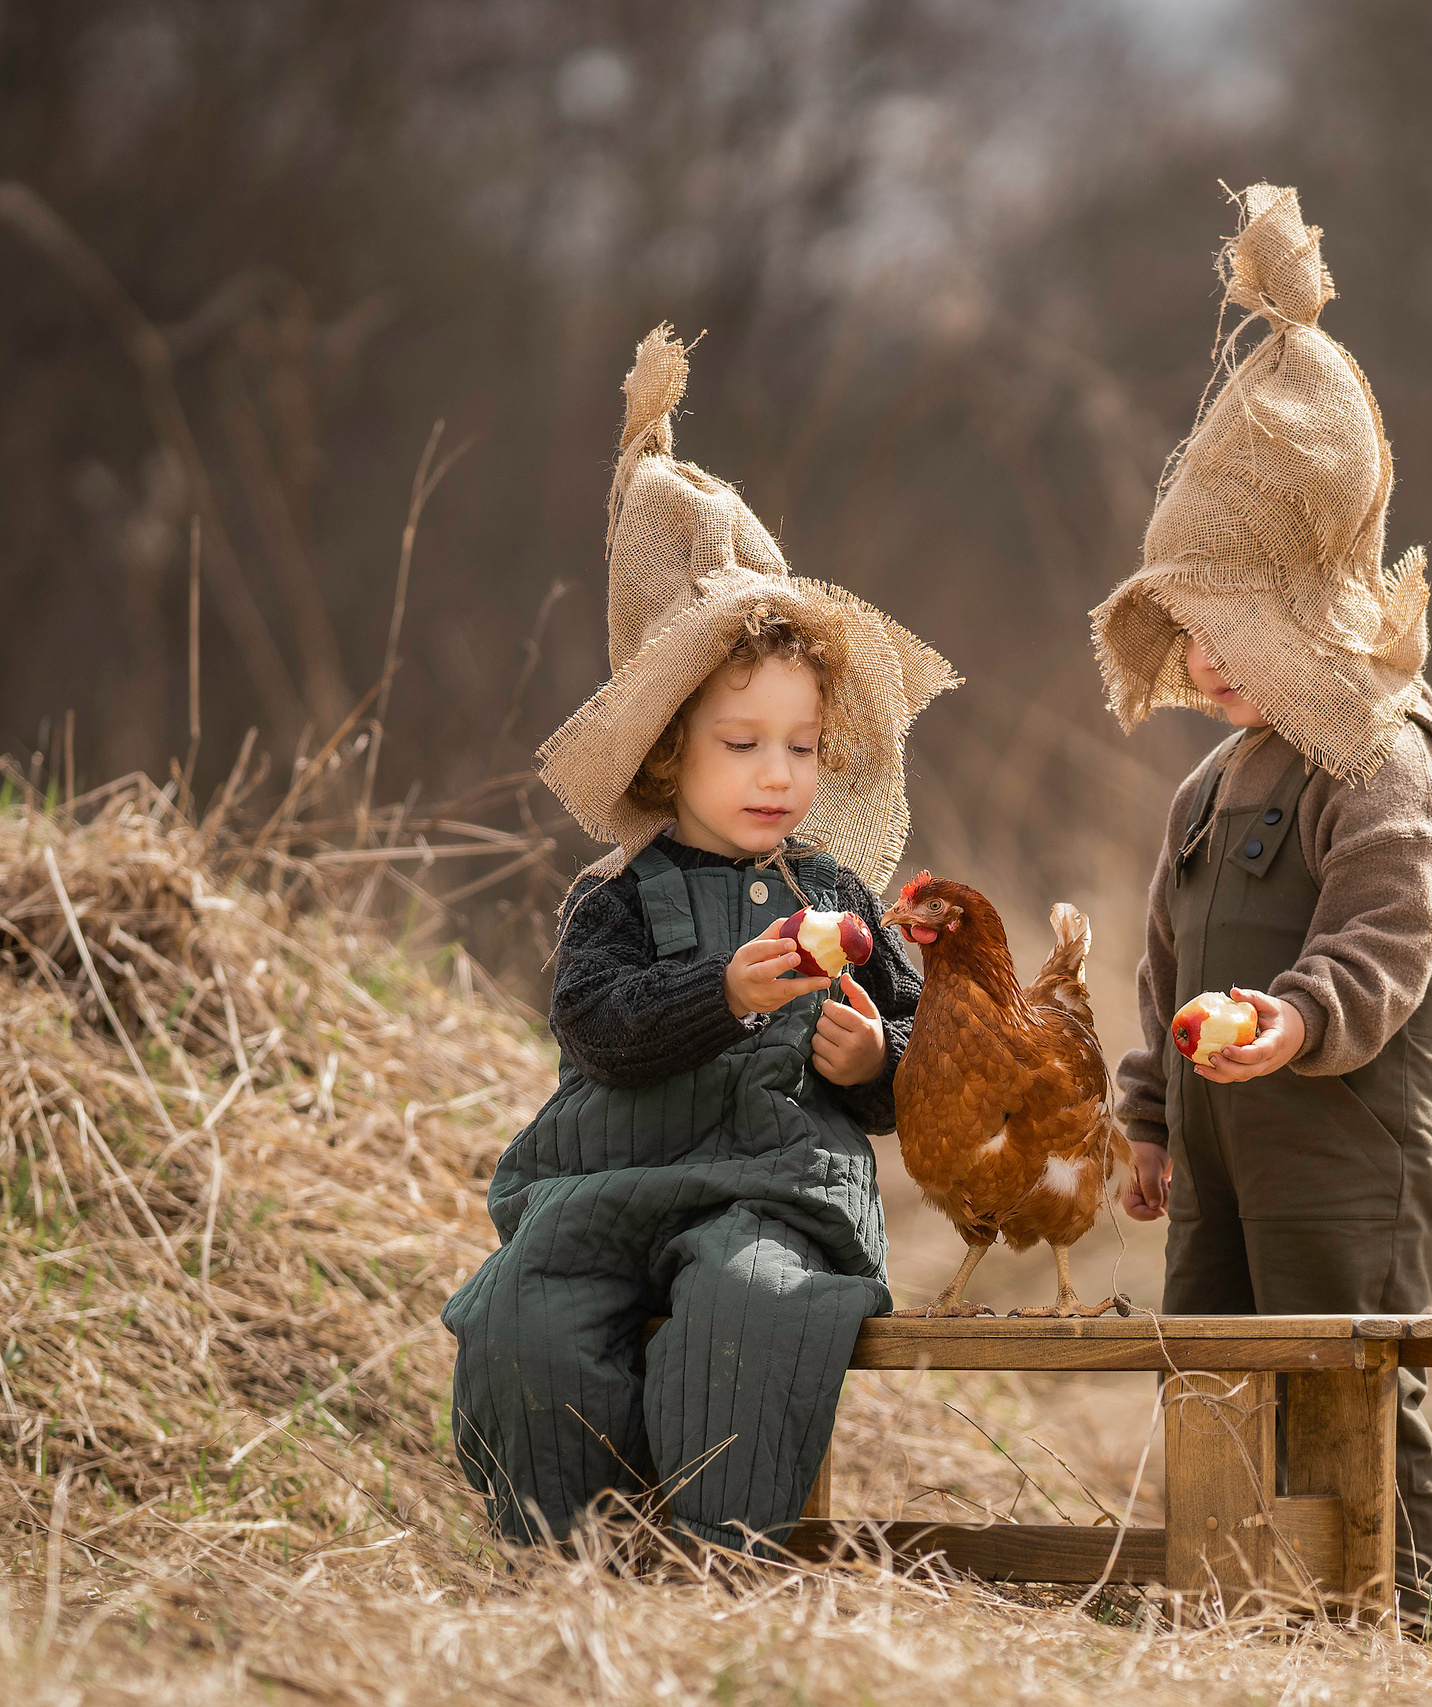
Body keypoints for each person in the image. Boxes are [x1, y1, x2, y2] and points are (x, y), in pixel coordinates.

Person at [442, 325, 958, 1555]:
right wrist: (723, 986)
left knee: (751, 1309)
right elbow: (601, 1030)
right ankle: (576, 1555)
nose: (778, 774)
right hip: (606, 1185)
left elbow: (931, 1054)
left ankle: (722, 1555)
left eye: (800, 744)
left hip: (774, 1196)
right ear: (670, 749)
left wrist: (872, 1059)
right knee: (527, 1321)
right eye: (742, 746)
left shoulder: (837, 891)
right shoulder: (613, 898)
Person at [1091, 185, 1432, 1619]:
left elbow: (1384, 942)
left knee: (1350, 1385)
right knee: (1212, 1367)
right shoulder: (1213, 787)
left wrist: (1293, 1019)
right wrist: (1153, 1114)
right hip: (1224, 1152)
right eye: (1191, 629)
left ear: (1308, 608)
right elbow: (1164, 964)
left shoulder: (1383, 766)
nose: (1208, 661)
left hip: (1353, 1149)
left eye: (1232, 625)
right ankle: (1239, 1610)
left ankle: (1407, 1625)